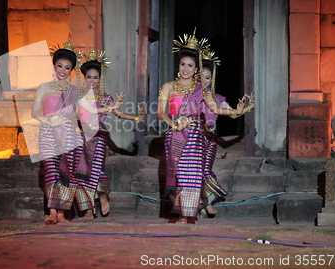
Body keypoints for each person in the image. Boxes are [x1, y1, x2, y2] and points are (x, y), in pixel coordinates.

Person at [157, 30, 254, 224]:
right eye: (182, 64)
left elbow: (216, 108)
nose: (185, 68)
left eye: (190, 65)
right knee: (178, 176)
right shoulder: (168, 86)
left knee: (191, 176)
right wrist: (173, 124)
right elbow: (160, 112)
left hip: (194, 137)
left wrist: (237, 111)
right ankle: (183, 212)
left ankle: (188, 215)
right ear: (178, 65)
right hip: (175, 135)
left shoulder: (202, 89)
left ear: (196, 68)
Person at [32, 41, 123, 224]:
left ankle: (61, 214)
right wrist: (48, 121)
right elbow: (34, 112)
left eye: (67, 67)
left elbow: (91, 109)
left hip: (68, 136)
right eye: (60, 66)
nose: (63, 70)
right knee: (50, 171)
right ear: (54, 65)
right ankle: (51, 212)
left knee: (66, 174)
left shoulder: (75, 91)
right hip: (48, 133)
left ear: (72, 69)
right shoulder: (44, 86)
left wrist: (111, 107)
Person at [76, 51, 145, 219]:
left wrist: (137, 117)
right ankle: (88, 210)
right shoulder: (78, 96)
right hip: (81, 139)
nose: (92, 81)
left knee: (97, 171)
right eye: (89, 77)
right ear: (84, 78)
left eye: (96, 77)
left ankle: (103, 195)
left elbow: (119, 114)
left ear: (100, 79)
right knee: (82, 174)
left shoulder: (105, 98)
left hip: (98, 138)